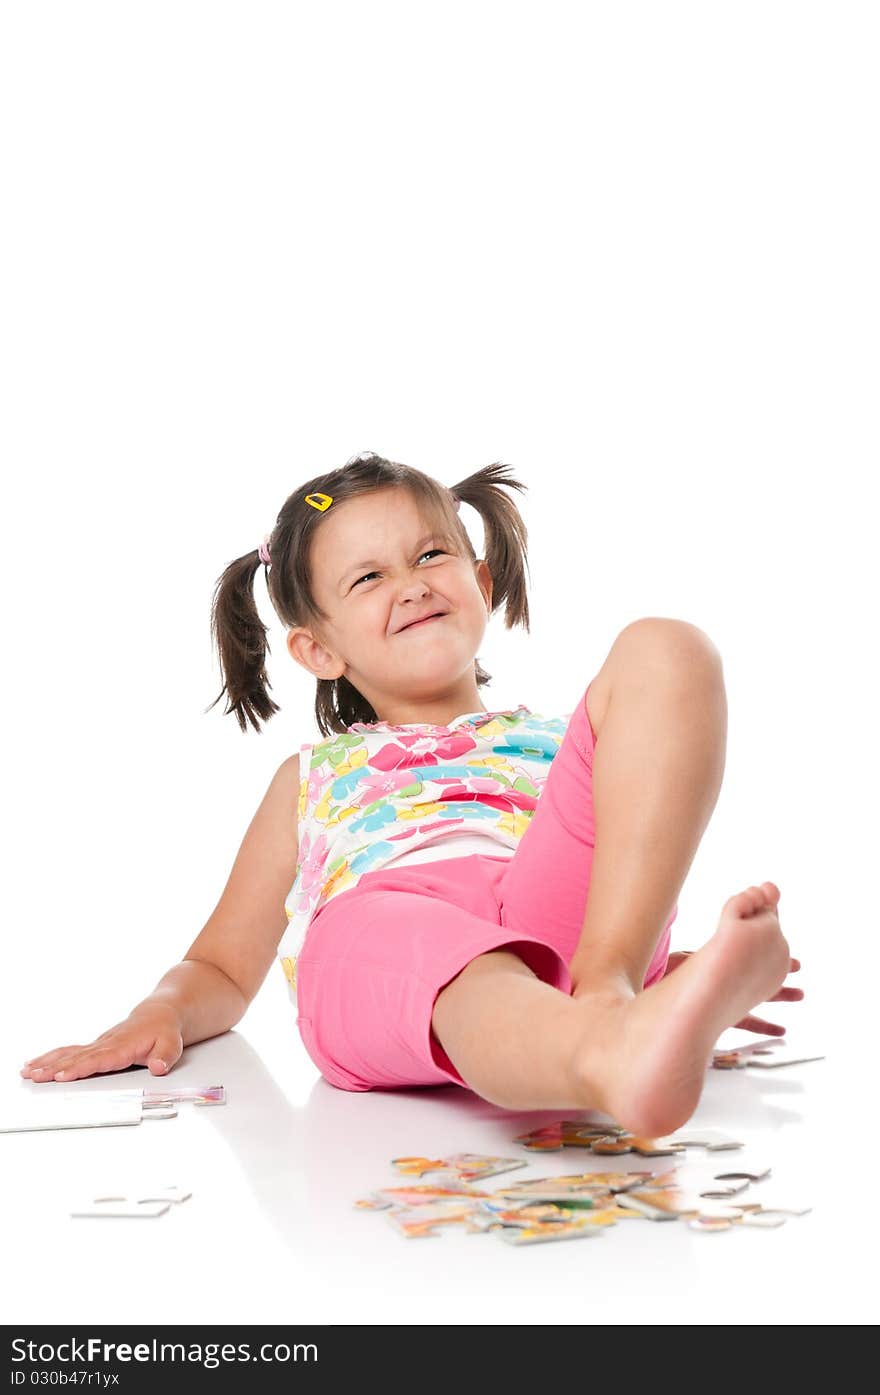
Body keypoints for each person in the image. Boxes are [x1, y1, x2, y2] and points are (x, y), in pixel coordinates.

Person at [20, 451, 802, 1135]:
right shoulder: (313, 777)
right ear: (318, 648)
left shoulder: (565, 739)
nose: (412, 585)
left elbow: (618, 839)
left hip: (555, 934)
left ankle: (612, 999)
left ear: (481, 581)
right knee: (443, 955)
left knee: (668, 646)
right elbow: (223, 971)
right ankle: (606, 1052)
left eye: (432, 555)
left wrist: (649, 961)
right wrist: (157, 1011)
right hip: (390, 939)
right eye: (369, 576)